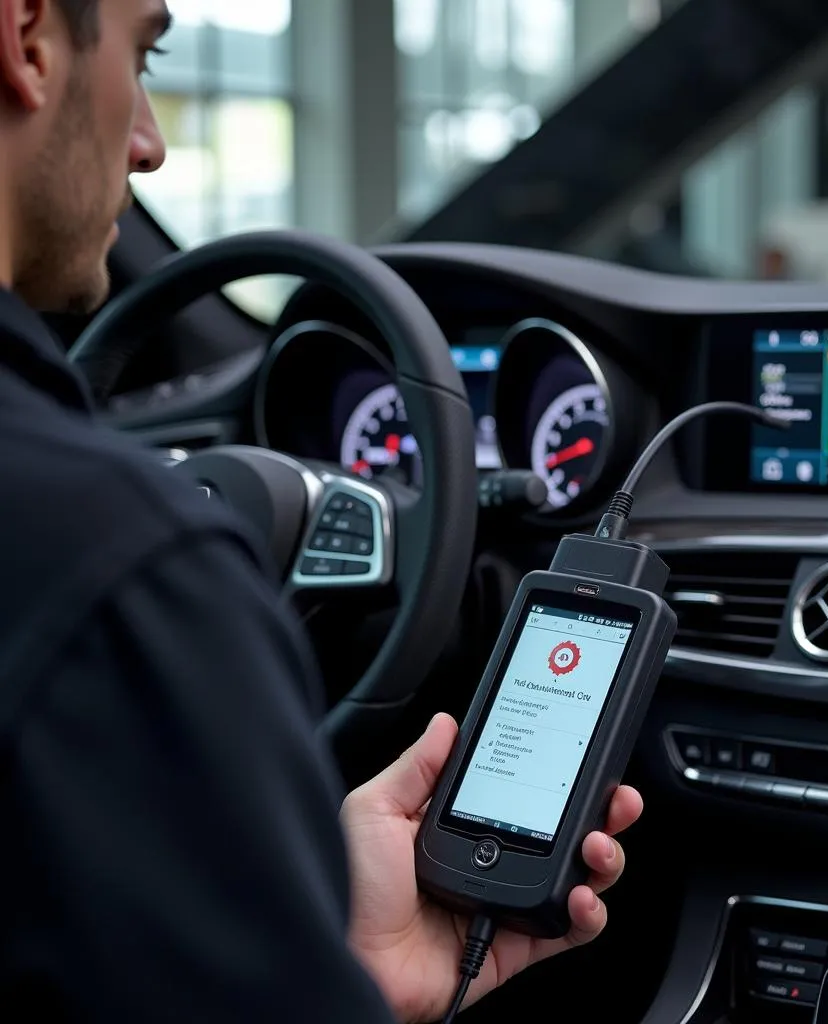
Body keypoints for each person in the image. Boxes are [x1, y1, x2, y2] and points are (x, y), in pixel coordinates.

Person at [0, 1, 643, 1020]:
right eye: (145, 51)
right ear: (27, 38)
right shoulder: (130, 568)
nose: (152, 142)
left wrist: (314, 930)